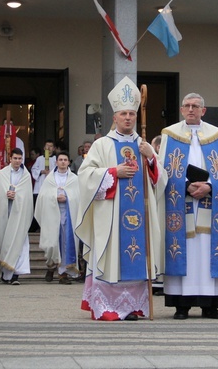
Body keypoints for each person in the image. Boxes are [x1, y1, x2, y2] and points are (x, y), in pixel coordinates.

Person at [75, 76, 161, 321]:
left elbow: (160, 180)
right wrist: (114, 172)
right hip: (111, 216)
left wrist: (152, 159)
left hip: (139, 216)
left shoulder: (144, 145)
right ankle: (109, 307)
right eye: (123, 114)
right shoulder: (102, 145)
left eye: (131, 114)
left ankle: (134, 305)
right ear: (115, 117)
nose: (128, 118)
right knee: (112, 257)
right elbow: (85, 176)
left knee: (136, 256)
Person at [159, 92, 218, 320]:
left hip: (210, 204)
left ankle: (210, 305)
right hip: (180, 202)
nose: (191, 109)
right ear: (181, 110)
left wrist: (210, 186)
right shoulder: (170, 135)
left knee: (207, 249)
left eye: (196, 106)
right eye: (187, 106)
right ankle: (181, 306)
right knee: (183, 246)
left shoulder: (215, 136)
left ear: (203, 111)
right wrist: (184, 186)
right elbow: (166, 170)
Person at [0, 148, 33, 285]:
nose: (17, 161)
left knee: (19, 242)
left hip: (19, 214)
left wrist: (17, 195)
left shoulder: (26, 176)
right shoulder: (1, 174)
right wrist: (5, 194)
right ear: (10, 159)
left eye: (19, 159)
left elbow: (27, 196)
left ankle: (15, 275)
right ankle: (6, 274)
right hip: (4, 213)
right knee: (4, 241)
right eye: (15, 158)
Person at [35, 151, 80, 283]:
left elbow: (79, 197)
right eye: (60, 159)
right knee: (51, 244)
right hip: (52, 214)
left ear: (69, 162)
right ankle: (51, 267)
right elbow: (42, 196)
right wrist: (54, 197)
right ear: (56, 162)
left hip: (69, 214)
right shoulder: (49, 179)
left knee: (66, 243)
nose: (63, 162)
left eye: (65, 160)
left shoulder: (74, 179)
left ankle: (63, 273)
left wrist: (67, 197)